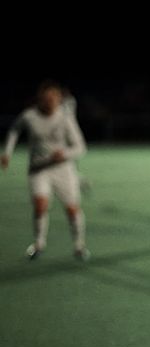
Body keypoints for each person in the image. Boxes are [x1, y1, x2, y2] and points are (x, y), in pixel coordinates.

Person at [1, 80, 89, 261]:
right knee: (40, 205)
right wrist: (7, 153)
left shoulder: (65, 118)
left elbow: (80, 147)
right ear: (40, 99)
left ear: (58, 99)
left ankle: (79, 246)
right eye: (47, 98)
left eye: (54, 98)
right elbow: (14, 130)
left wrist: (64, 153)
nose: (50, 102)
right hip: (38, 169)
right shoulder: (29, 116)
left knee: (72, 209)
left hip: (63, 170)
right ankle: (39, 244)